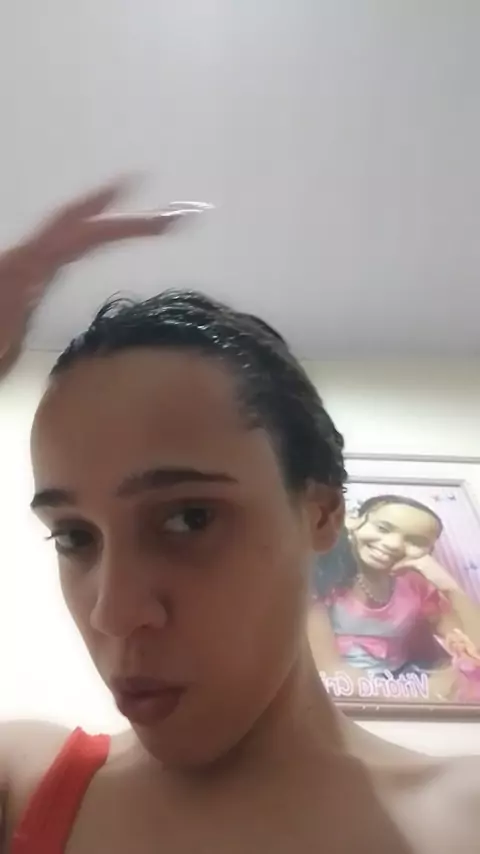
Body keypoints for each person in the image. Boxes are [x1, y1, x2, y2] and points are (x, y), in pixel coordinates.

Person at [0, 181, 478, 853]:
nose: (115, 612)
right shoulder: (25, 788)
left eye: (189, 519)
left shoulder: (463, 818)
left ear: (321, 513)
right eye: (75, 536)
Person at [309, 495, 480, 702]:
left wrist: (449, 586)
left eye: (416, 541)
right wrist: (423, 696)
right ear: (353, 521)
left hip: (400, 679)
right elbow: (329, 670)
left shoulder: (415, 585)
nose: (394, 544)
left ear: (429, 551)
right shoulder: (322, 577)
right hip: (339, 688)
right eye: (383, 528)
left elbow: (475, 647)